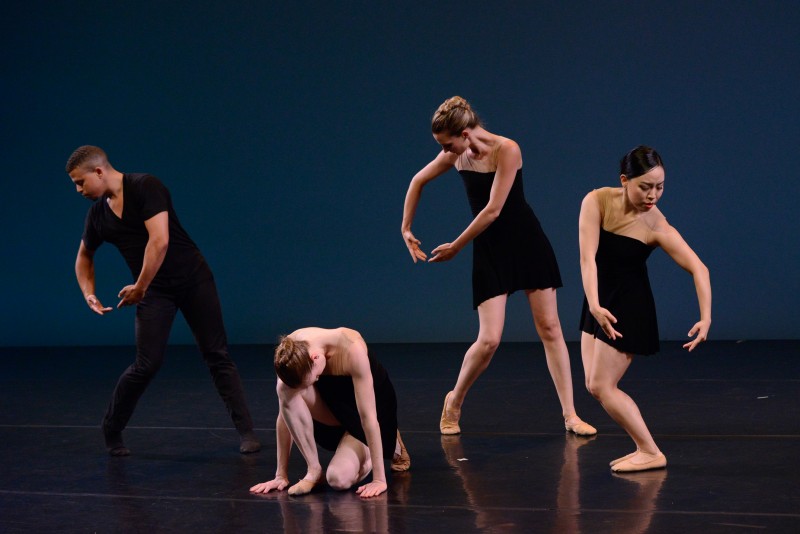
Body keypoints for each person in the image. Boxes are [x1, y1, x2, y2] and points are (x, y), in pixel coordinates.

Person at [401, 96, 595, 436]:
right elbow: (417, 181)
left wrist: (457, 246)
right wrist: (406, 227)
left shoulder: (507, 149)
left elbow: (493, 209)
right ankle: (454, 400)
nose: (445, 150)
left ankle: (570, 415)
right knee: (489, 340)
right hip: (491, 249)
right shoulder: (456, 155)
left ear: (463, 133)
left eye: (447, 143)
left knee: (550, 328)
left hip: (527, 242)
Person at [66, 145, 260, 456]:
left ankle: (246, 431)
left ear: (99, 171)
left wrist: (140, 287)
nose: (78, 190)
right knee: (146, 364)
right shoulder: (98, 215)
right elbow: (84, 256)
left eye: (80, 182)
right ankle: (111, 429)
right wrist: (88, 292)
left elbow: (160, 240)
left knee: (216, 354)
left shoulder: (146, 186)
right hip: (153, 291)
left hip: (193, 279)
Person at [579, 145, 711, 472]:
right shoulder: (595, 201)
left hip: (629, 308)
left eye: (660, 187)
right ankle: (646, 450)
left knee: (601, 386)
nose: (653, 195)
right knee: (592, 385)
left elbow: (699, 269)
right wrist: (594, 303)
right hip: (598, 302)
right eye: (645, 187)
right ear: (624, 180)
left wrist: (706, 316)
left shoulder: (656, 225)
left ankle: (650, 451)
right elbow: (587, 259)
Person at [249, 327, 410, 499]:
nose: (318, 379)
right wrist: (280, 475)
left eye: (315, 378)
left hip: (369, 412)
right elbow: (285, 414)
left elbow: (368, 418)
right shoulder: (290, 353)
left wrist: (379, 479)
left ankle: (392, 444)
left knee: (337, 479)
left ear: (315, 358)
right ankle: (314, 470)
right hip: (333, 409)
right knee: (284, 388)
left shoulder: (352, 349)